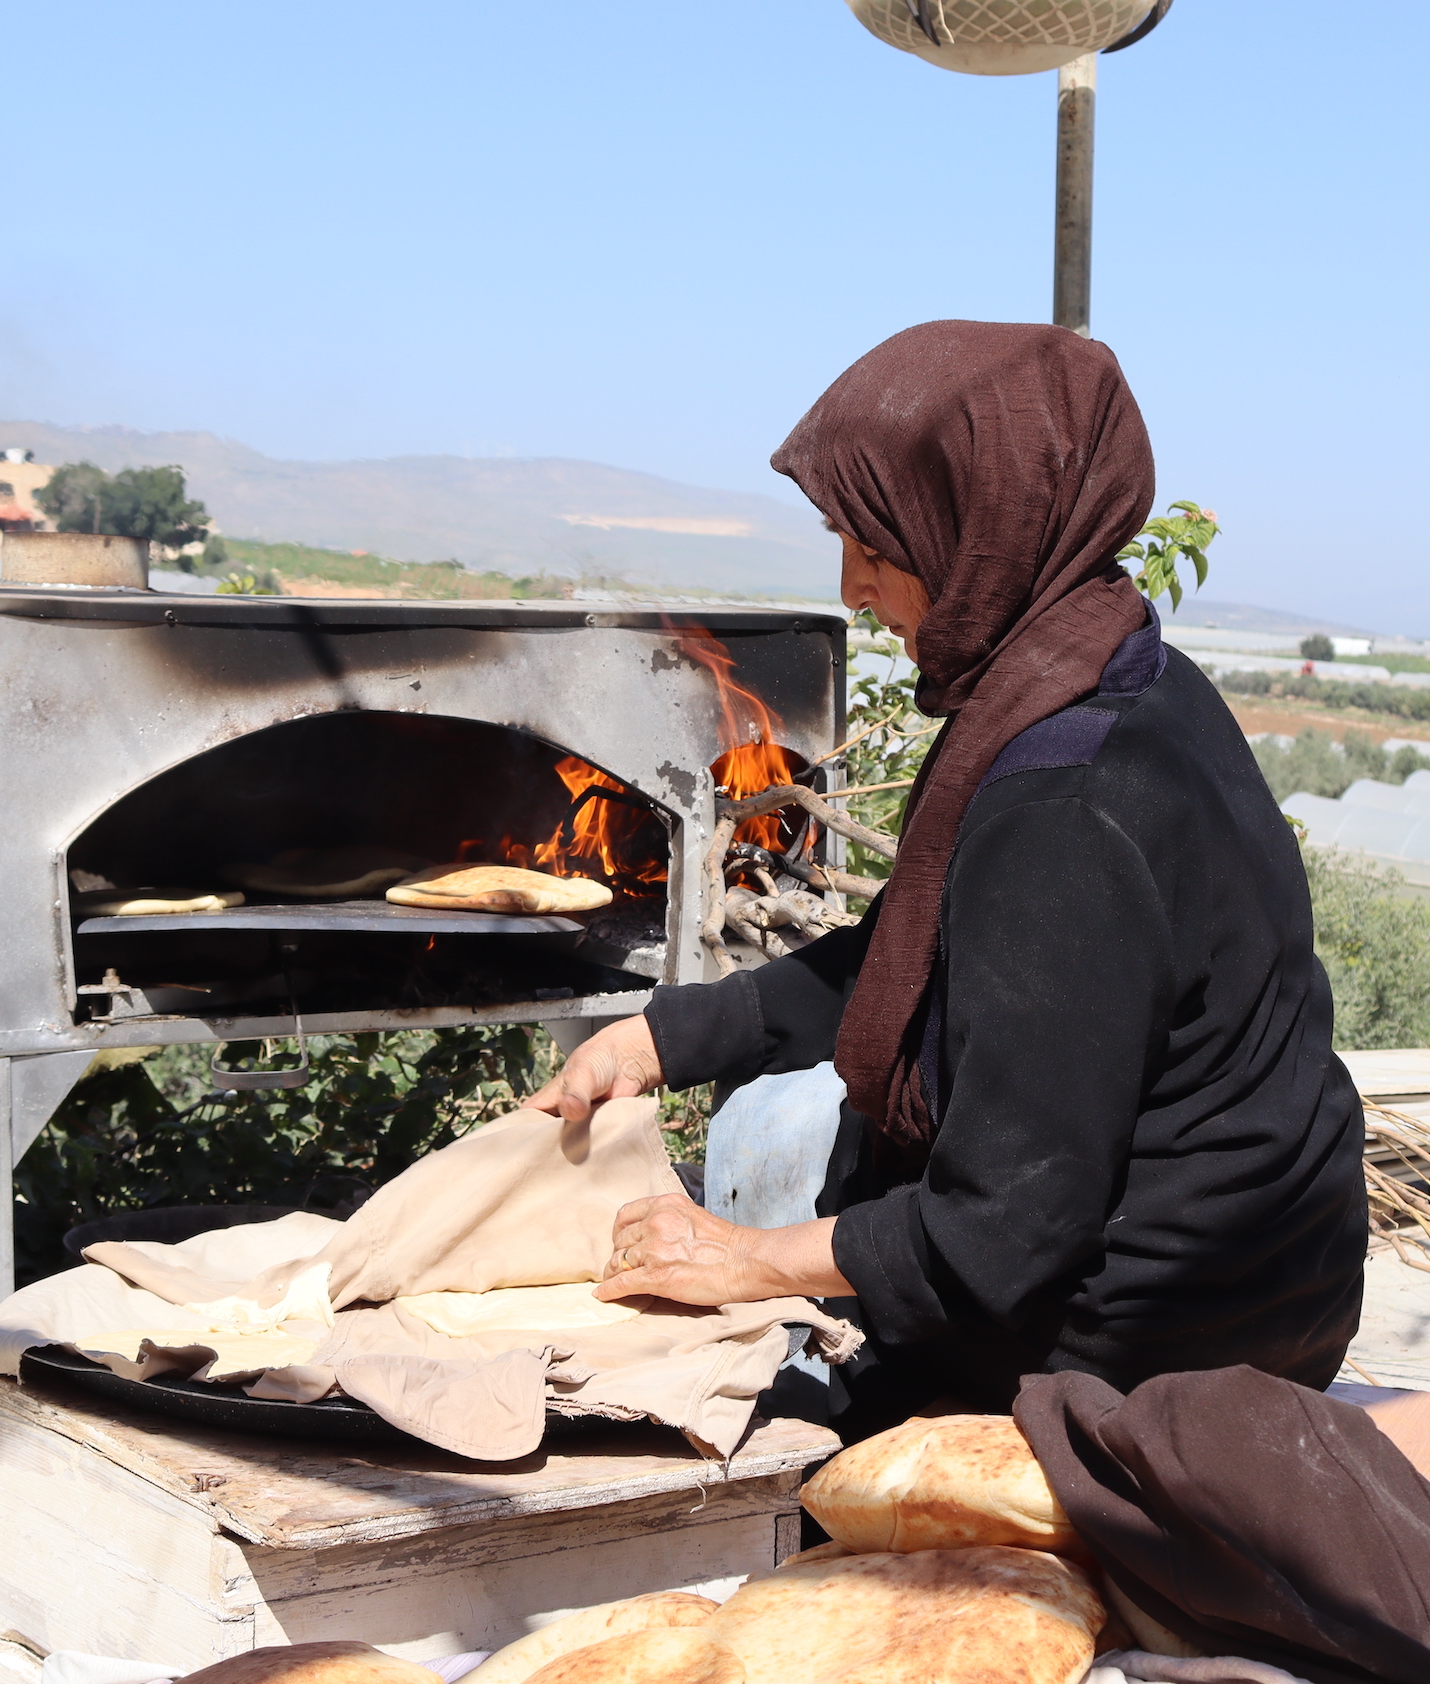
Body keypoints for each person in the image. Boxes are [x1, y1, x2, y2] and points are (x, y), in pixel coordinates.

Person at [526, 320, 1366, 1438]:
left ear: (980, 525)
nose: (852, 587)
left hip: (1158, 1340)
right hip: (1283, 1282)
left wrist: (742, 1260)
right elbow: (917, 955)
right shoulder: (1118, 674)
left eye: (876, 542)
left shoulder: (1064, 798)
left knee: (748, 1451)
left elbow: (1002, 1234)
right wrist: (664, 1038)